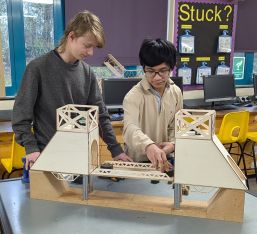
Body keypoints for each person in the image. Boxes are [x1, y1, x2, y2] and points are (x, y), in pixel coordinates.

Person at [12, 10, 132, 170]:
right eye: (87, 46)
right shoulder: (37, 68)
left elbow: (100, 116)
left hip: (79, 158)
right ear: (71, 37)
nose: (90, 52)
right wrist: (31, 148)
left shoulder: (87, 72)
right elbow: (21, 118)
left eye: (93, 48)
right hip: (45, 157)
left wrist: (116, 149)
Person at [123, 38, 183, 172]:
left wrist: (173, 144)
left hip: (165, 162)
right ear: (144, 69)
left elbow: (177, 126)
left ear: (171, 68)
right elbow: (130, 129)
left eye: (162, 71)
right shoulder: (133, 96)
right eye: (150, 71)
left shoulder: (176, 92)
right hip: (138, 164)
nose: (156, 77)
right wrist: (148, 146)